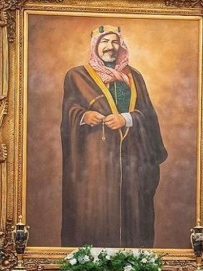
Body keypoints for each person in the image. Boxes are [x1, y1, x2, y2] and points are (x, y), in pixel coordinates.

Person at [60, 25, 168, 248]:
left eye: (115, 42)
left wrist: (126, 119)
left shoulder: (134, 77)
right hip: (95, 163)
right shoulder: (77, 75)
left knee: (134, 212)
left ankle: (133, 259)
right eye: (105, 41)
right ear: (95, 46)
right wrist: (84, 115)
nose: (110, 47)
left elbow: (148, 115)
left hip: (133, 161)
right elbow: (69, 111)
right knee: (96, 211)